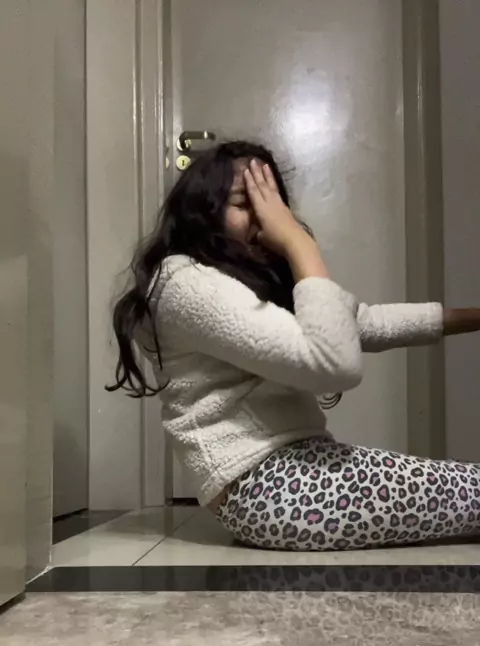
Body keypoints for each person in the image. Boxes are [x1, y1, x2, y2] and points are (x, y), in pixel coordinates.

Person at [108, 140, 480, 552]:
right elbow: (333, 363)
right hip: (262, 486)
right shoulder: (185, 283)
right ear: (203, 210)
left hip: (290, 470)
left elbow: (363, 323)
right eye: (245, 202)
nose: (267, 218)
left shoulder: (234, 277)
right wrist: (298, 242)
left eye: (270, 203)